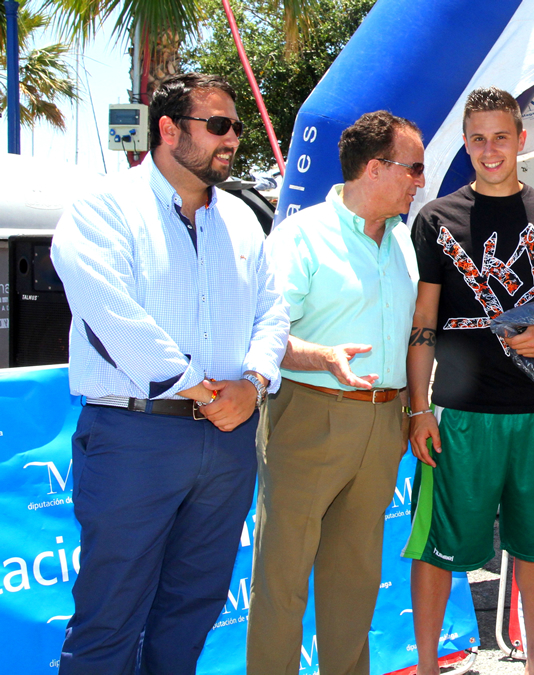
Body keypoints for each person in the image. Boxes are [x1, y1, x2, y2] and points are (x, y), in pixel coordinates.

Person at [49, 73, 289, 674]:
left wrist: (255, 383)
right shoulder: (102, 209)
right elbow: (109, 312)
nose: (233, 139)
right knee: (110, 615)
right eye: (218, 126)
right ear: (167, 129)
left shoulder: (239, 218)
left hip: (228, 441)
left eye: (237, 127)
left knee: (193, 610)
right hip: (136, 437)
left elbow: (274, 309)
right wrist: (200, 388)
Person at [405, 87, 534, 675]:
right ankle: (430, 664)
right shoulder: (436, 218)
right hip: (458, 412)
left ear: (521, 140)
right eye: (479, 139)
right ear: (466, 143)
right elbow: (423, 323)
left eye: (501, 137)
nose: (490, 150)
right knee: (437, 545)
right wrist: (418, 410)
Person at [246, 111, 425, 674]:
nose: (420, 180)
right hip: (310, 415)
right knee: (283, 578)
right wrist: (324, 357)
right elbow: (262, 335)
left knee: (355, 579)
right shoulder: (300, 236)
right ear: (375, 168)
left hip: (384, 423)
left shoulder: (402, 242)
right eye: (412, 167)